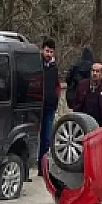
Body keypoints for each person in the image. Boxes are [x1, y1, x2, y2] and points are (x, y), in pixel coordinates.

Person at [67, 62, 102, 126]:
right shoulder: (82, 85)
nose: (95, 73)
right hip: (83, 120)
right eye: (93, 71)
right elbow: (76, 100)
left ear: (101, 73)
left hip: (101, 122)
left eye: (97, 71)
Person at [38, 39, 61, 174]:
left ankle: (43, 168)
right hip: (37, 106)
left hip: (50, 106)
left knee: (46, 138)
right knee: (34, 137)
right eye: (47, 51)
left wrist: (56, 100)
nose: (48, 54)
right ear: (42, 50)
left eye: (51, 52)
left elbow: (57, 86)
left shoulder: (54, 67)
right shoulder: (36, 65)